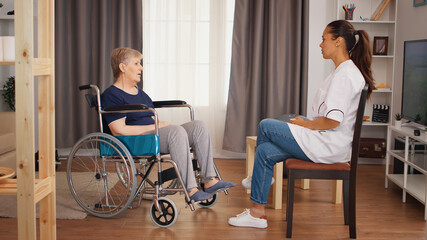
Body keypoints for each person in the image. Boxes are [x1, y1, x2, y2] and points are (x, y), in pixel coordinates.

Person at [228, 20, 374, 228]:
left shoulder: (346, 75)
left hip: (328, 145)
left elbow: (332, 120)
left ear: (338, 41)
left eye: (324, 39)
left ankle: (257, 181)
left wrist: (304, 126)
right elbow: (327, 116)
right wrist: (306, 122)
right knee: (265, 152)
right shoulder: (343, 71)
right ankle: (257, 213)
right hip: (325, 140)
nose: (320, 44)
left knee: (266, 125)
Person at [101, 47, 236, 203]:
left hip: (153, 135)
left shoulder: (139, 93)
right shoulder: (111, 95)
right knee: (175, 131)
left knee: (199, 126)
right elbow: (119, 130)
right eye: (137, 63)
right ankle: (191, 190)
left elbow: (148, 119)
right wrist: (157, 127)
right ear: (122, 67)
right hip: (134, 141)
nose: (141, 67)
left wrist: (160, 126)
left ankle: (210, 180)